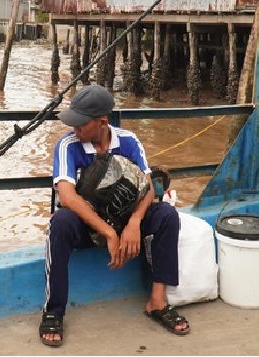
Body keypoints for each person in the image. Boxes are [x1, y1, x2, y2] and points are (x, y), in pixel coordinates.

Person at [40, 85, 189, 347]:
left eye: (81, 124)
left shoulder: (128, 141)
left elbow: (148, 186)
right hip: (89, 227)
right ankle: (54, 310)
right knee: (60, 222)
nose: (75, 130)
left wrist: (133, 223)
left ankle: (156, 302)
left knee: (166, 214)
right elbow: (67, 197)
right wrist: (108, 232)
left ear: (102, 122)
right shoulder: (68, 144)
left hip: (125, 221)